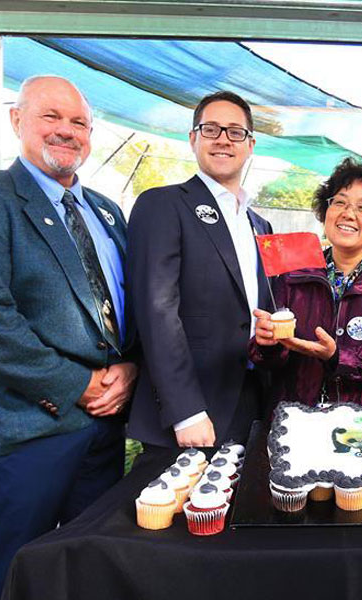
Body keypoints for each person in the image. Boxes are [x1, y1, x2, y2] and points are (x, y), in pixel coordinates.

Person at [0, 76, 137, 600]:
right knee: (12, 578)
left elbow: (127, 308)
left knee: (88, 574)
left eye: (79, 123)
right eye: (52, 116)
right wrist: (75, 383)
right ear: (16, 120)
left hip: (105, 432)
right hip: (32, 430)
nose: (66, 132)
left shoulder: (108, 211)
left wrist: (132, 367)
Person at [126, 91, 273, 453]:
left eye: (235, 132)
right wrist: (185, 410)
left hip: (253, 400)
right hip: (194, 413)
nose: (223, 139)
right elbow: (156, 311)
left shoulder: (261, 225)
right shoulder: (163, 204)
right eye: (211, 129)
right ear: (193, 139)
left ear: (250, 145)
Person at [249, 158, 362, 406]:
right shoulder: (294, 273)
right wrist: (267, 344)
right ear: (325, 211)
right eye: (339, 202)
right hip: (298, 414)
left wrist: (336, 356)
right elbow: (270, 361)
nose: (348, 214)